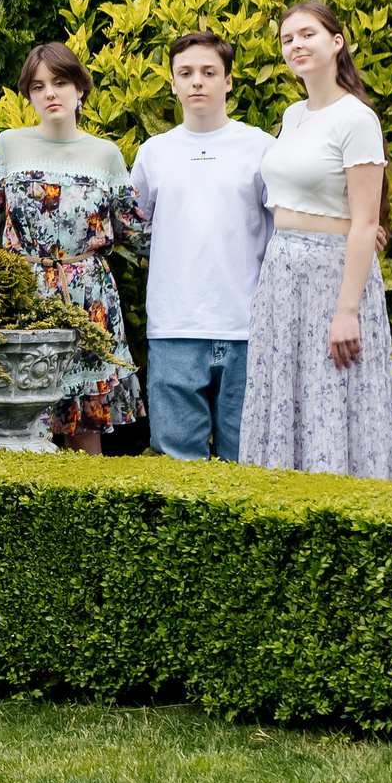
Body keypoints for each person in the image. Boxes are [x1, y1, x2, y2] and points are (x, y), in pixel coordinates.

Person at [0, 43, 147, 454]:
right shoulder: (10, 144)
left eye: (60, 82)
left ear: (80, 88)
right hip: (24, 293)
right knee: (25, 424)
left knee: (84, 431)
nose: (50, 93)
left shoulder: (106, 153)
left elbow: (136, 231)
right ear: (28, 95)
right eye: (38, 86)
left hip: (90, 296)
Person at [242, 0, 392, 479]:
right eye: (287, 39)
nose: (296, 45)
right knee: (285, 399)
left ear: (337, 42)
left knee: (333, 397)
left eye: (307, 34)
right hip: (283, 275)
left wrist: (347, 311)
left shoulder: (356, 119)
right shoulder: (293, 115)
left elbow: (365, 224)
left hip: (333, 279)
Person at [131, 31, 273, 462]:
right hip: (174, 329)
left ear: (228, 81)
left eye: (209, 72)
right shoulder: (154, 153)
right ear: (172, 83)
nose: (197, 82)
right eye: (186, 73)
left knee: (247, 462)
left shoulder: (262, 148)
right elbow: (133, 228)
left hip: (247, 328)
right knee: (176, 460)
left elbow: (287, 225)